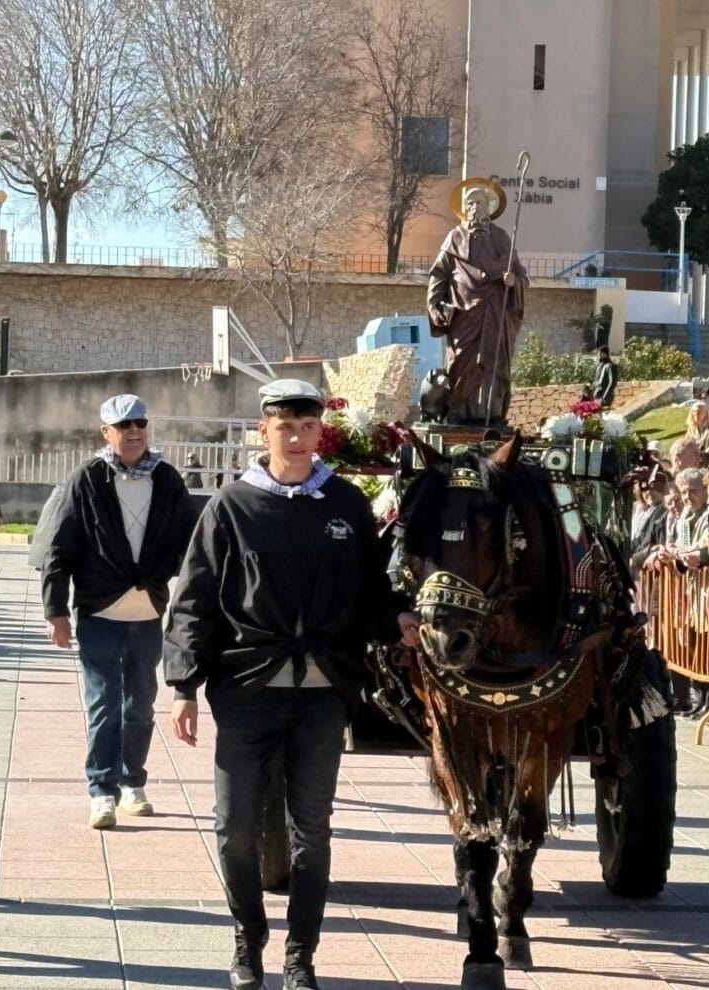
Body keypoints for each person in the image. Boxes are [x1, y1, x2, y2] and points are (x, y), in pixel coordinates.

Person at [162, 379, 419, 990]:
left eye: (308, 425)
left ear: (319, 431)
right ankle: (247, 941)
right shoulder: (231, 506)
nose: (298, 436)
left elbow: (370, 592)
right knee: (236, 830)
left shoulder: (346, 504)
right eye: (285, 425)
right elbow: (195, 599)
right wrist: (183, 685)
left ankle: (301, 956)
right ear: (264, 430)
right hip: (246, 690)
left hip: (322, 694)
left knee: (312, 832)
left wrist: (399, 620)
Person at [41, 394, 198, 829]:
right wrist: (56, 610)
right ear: (105, 432)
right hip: (99, 614)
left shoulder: (167, 479)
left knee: (141, 704)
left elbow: (191, 543)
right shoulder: (88, 479)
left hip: (147, 614)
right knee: (104, 704)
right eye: (124, 425)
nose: (134, 432)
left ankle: (133, 782)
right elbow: (60, 546)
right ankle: (101, 790)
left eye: (140, 423)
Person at [426, 178, 528, 423]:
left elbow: (521, 275)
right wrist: (434, 304)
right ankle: (460, 413)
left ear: (488, 206)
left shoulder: (503, 239)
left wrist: (513, 282)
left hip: (495, 312)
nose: (473, 207)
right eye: (469, 203)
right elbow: (438, 273)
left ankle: (491, 413)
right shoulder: (454, 238)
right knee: (462, 363)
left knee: (495, 365)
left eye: (478, 202)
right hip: (464, 315)